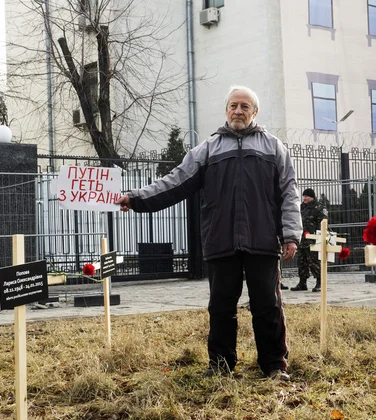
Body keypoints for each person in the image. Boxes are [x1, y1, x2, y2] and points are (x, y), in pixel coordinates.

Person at [115, 85, 302, 381]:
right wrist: (136, 198)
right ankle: (221, 366)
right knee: (220, 306)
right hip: (221, 240)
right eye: (233, 105)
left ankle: (274, 365)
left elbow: (288, 193)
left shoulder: (274, 148)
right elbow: (174, 182)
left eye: (244, 106)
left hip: (263, 240)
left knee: (268, 305)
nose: (238, 111)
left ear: (255, 113)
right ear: (226, 110)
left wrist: (291, 234)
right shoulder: (208, 150)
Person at [290, 188, 328, 293]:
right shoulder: (301, 207)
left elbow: (323, 223)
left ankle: (320, 282)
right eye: (304, 196)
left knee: (314, 261)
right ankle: (302, 283)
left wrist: (315, 235)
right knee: (301, 262)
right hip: (302, 240)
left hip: (313, 240)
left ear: (312, 197)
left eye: (306, 196)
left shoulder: (319, 208)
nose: (304, 198)